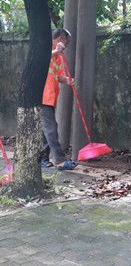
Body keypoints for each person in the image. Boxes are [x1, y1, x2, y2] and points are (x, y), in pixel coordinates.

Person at [40, 28, 78, 170]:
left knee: (46, 131)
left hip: (51, 97)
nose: (66, 46)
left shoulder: (59, 57)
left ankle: (43, 159)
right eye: (66, 43)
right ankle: (59, 160)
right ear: (60, 39)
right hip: (42, 96)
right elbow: (41, 60)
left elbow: (59, 75)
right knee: (51, 129)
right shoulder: (45, 48)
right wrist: (56, 50)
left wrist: (67, 80)